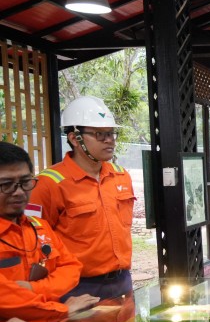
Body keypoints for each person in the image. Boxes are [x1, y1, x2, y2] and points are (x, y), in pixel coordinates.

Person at [29, 96, 135, 301]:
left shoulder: (121, 175)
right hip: (76, 287)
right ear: (74, 139)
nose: (109, 140)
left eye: (111, 133)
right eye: (99, 134)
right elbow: (32, 238)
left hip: (122, 280)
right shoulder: (49, 183)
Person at [0, 142, 98, 322]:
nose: (19, 192)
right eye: (6, 185)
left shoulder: (39, 226)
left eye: (25, 182)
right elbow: (6, 299)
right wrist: (62, 310)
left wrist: (34, 288)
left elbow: (71, 267)